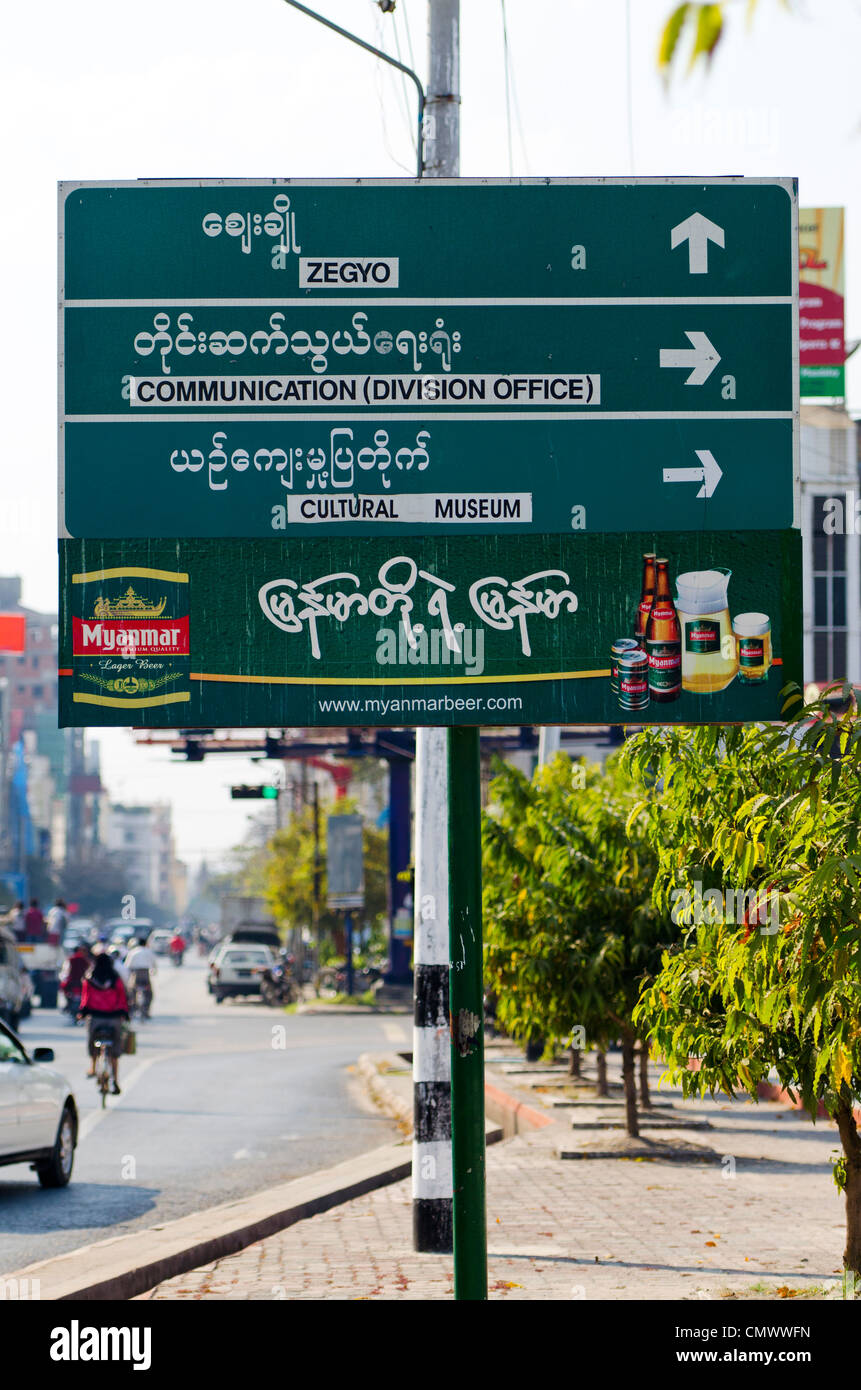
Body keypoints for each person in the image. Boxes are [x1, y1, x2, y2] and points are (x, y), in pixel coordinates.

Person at [78, 951, 129, 1094]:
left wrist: (82, 1013)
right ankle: (116, 1081)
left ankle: (93, 1067)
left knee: (92, 1040)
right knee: (114, 1050)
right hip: (114, 1018)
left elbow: (85, 998)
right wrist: (124, 1013)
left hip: (96, 1018)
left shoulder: (90, 978)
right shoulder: (115, 978)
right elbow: (122, 998)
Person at [124, 937, 157, 1015]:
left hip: (135, 974)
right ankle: (146, 1010)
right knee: (149, 994)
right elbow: (154, 964)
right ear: (145, 943)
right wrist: (154, 971)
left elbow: (127, 965)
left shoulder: (133, 952)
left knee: (132, 991)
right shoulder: (149, 951)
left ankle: (134, 1008)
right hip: (145, 974)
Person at [59, 942, 90, 1012]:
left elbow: (66, 971)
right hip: (80, 981)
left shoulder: (70, 959)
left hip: (73, 981)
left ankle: (67, 1004)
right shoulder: (85, 959)